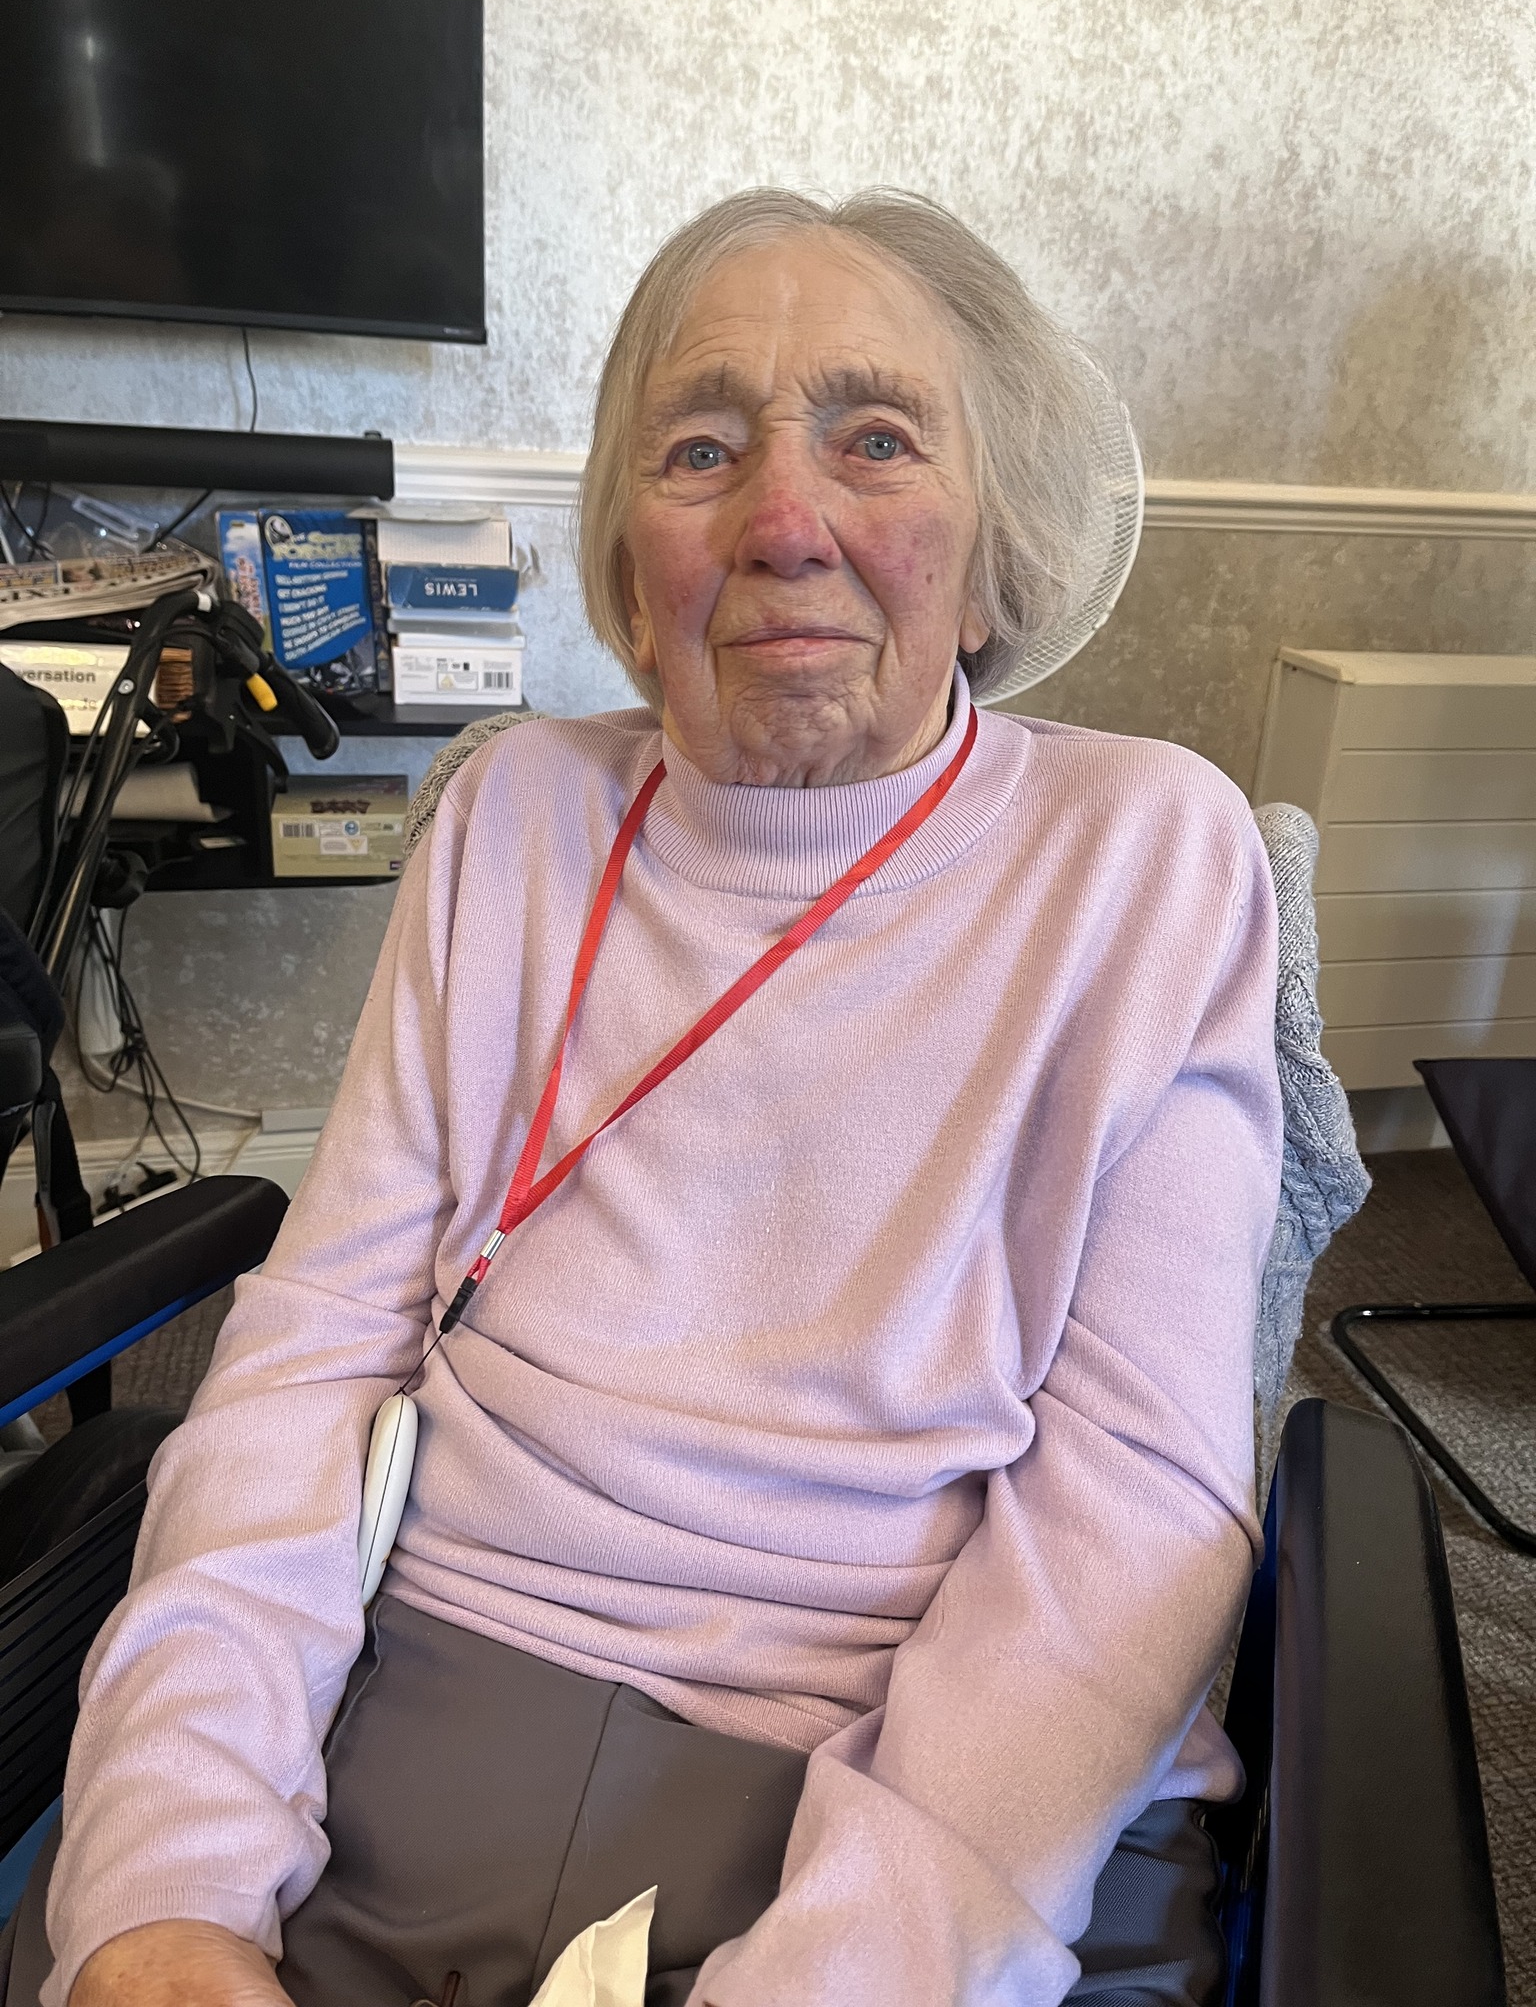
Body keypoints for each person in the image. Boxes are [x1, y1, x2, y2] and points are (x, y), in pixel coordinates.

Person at [11, 188, 1281, 2007]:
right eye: (703, 449)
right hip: (422, 1691)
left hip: (910, 1764)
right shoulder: (515, 818)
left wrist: (853, 1965)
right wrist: (168, 1890)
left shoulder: (1147, 856)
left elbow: (1138, 1508)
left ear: (995, 554)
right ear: (627, 569)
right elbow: (315, 1356)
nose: (784, 520)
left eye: (877, 438)